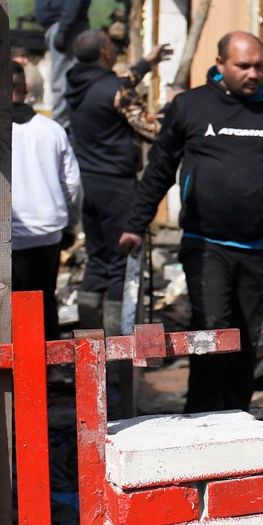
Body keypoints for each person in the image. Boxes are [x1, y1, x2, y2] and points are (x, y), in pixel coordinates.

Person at [120, 31, 263, 412]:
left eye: (259, 66)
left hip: (258, 249)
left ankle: (236, 423)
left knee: (245, 340)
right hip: (205, 243)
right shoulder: (191, 108)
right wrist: (135, 224)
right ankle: (201, 422)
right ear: (220, 65)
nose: (253, 73)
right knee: (212, 331)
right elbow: (159, 170)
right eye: (243, 66)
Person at [63, 28, 170, 334]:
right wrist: (175, 106)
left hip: (87, 184)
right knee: (120, 263)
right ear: (104, 53)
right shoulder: (116, 90)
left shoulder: (75, 82)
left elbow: (119, 84)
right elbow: (151, 129)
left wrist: (146, 63)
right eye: (110, 45)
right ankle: (116, 349)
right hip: (117, 186)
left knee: (97, 260)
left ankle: (87, 344)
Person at [9, 63, 82, 342]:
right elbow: (73, 183)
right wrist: (70, 225)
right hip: (50, 232)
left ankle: (21, 374)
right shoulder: (52, 130)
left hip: (11, 238)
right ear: (26, 89)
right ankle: (50, 369)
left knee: (15, 306)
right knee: (45, 300)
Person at [35, 0, 91, 111]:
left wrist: (64, 29)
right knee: (61, 78)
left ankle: (64, 126)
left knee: (62, 79)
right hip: (61, 26)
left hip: (68, 28)